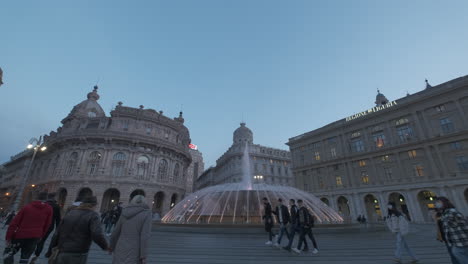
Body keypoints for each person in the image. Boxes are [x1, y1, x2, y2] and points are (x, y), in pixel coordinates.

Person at [47, 196, 110, 264]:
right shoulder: (93, 215)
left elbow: (57, 233)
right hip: (78, 252)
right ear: (94, 205)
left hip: (62, 250)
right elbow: (97, 234)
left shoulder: (71, 213)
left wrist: (51, 249)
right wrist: (105, 246)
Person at [3, 192, 53, 264]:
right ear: (46, 199)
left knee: (8, 253)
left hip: (20, 236)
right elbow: (47, 224)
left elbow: (14, 223)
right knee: (25, 257)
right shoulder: (49, 209)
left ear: (37, 197)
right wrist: (41, 236)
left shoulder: (27, 207)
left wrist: (8, 237)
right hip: (34, 237)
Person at [110, 195, 152, 264]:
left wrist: (111, 247)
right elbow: (145, 236)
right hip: (135, 249)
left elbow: (115, 232)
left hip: (120, 246)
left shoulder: (124, 211)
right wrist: (143, 255)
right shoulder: (147, 213)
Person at [435, 197, 468, 264]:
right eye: (436, 203)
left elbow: (464, 225)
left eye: (438, 202)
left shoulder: (452, 212)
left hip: (461, 240)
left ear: (445, 202)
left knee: (457, 254)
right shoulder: (445, 213)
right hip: (454, 241)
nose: (436, 204)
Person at [31, 193, 62, 263]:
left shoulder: (43, 204)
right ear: (54, 198)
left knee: (34, 239)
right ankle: (35, 256)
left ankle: (29, 253)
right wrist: (57, 230)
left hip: (38, 224)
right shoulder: (56, 206)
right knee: (42, 241)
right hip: (49, 226)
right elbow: (58, 219)